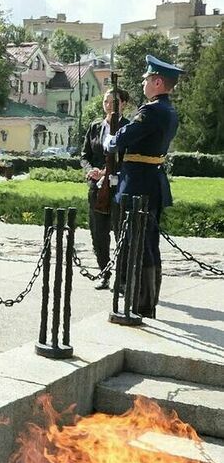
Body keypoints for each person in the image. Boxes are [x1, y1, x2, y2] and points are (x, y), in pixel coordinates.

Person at [104, 54, 182, 318]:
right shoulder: (169, 110)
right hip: (152, 181)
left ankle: (141, 304)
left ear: (158, 82)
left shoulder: (151, 111)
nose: (143, 84)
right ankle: (146, 301)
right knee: (149, 243)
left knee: (140, 244)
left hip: (138, 184)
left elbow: (120, 140)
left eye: (147, 79)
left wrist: (110, 141)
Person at [81, 88, 130, 290]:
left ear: (124, 104)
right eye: (106, 101)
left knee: (121, 233)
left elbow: (129, 158)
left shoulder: (129, 127)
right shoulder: (94, 127)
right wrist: (91, 170)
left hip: (119, 187)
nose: (108, 105)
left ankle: (123, 278)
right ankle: (104, 272)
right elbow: (85, 155)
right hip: (97, 188)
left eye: (113, 102)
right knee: (98, 233)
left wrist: (107, 171)